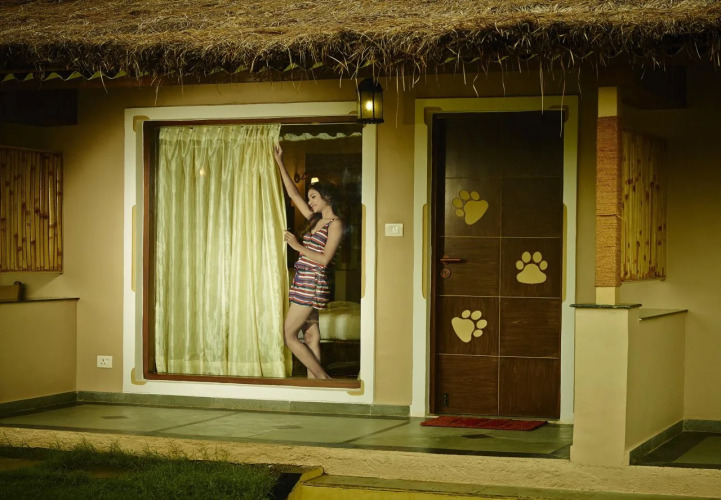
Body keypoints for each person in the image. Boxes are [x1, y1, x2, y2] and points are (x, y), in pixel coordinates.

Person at [273, 143, 343, 379]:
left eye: (313, 197)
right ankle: (316, 388)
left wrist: (297, 246)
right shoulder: (315, 220)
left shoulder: (335, 224)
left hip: (312, 283)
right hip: (303, 281)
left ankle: (323, 379)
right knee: (311, 336)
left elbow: (324, 260)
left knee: (289, 336)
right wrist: (280, 161)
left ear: (327, 197)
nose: (310, 201)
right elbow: (293, 194)